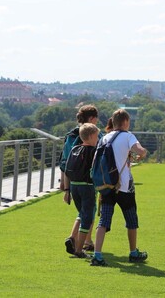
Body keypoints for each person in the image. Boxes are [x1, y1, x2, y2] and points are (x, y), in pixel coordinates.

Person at [91, 109, 148, 266]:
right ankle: (133, 252)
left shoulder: (104, 138)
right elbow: (140, 151)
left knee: (104, 220)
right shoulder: (128, 136)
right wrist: (141, 154)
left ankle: (97, 254)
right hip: (124, 187)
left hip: (106, 186)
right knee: (131, 220)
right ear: (126, 122)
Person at [60, 104, 99, 254]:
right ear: (91, 119)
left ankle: (78, 239)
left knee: (82, 212)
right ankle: (82, 243)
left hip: (73, 182)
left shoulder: (71, 136)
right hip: (87, 183)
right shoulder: (93, 136)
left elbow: (65, 161)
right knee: (88, 213)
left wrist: (65, 186)